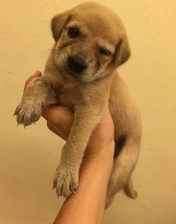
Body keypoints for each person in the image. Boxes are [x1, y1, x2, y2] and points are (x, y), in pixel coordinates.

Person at [24, 71, 115, 224]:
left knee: (105, 193)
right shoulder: (59, 66)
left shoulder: (100, 76)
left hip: (125, 142)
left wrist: (97, 151)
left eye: (103, 51)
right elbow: (56, 92)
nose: (78, 59)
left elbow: (89, 108)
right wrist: (36, 93)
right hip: (103, 143)